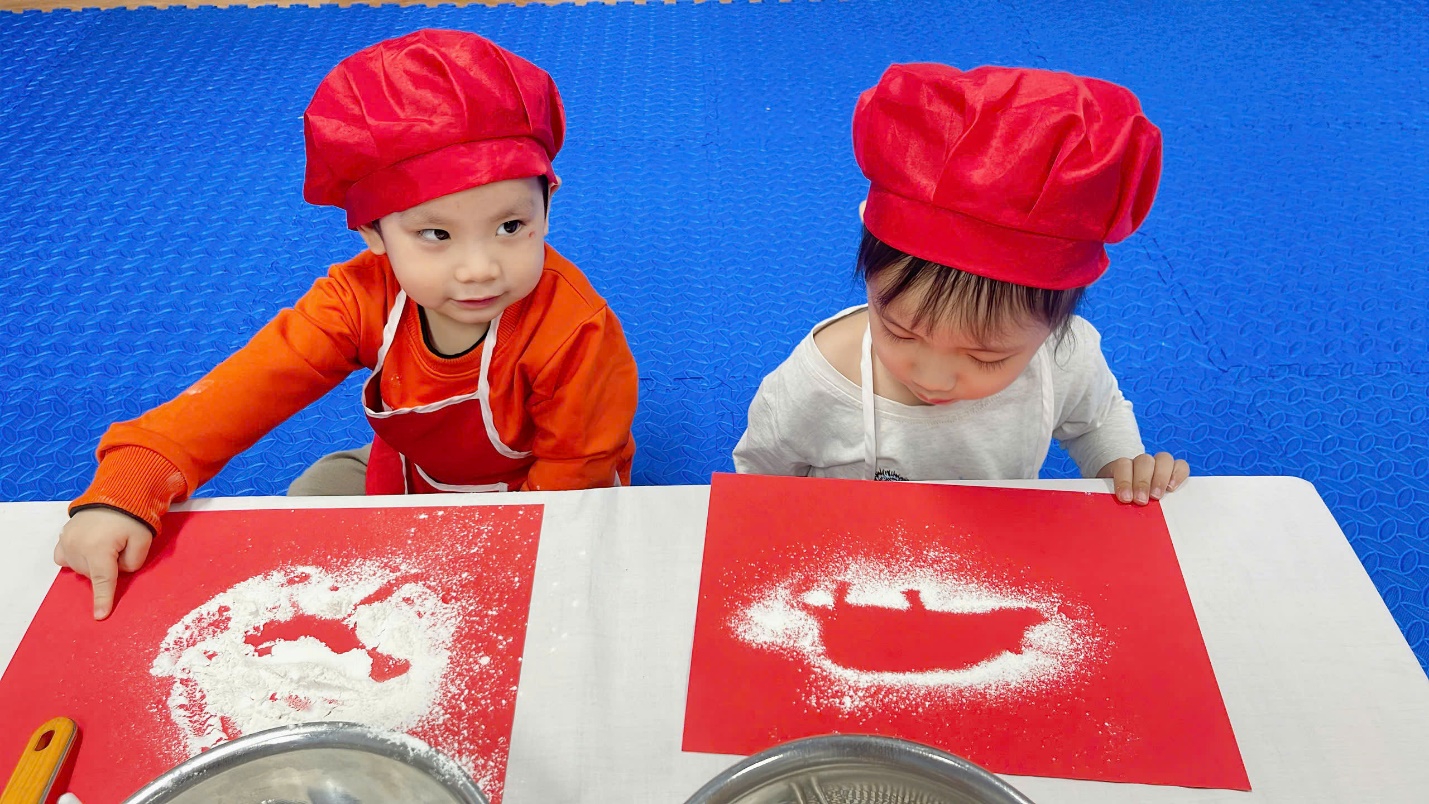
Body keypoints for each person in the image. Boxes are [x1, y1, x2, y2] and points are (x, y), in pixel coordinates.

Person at [56, 29, 639, 620]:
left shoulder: (576, 329)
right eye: (435, 234)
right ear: (372, 233)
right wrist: (130, 486)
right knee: (311, 496)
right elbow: (241, 392)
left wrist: (499, 562)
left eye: (511, 227)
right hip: (414, 475)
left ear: (548, 204)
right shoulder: (357, 299)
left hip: (537, 490)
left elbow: (576, 475)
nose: (480, 268)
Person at [733, 63, 1188, 504]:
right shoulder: (819, 384)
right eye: (899, 332)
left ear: (1053, 327)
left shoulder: (1064, 359)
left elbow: (1096, 420)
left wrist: (1119, 465)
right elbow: (758, 481)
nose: (932, 379)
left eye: (985, 357)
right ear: (871, 281)